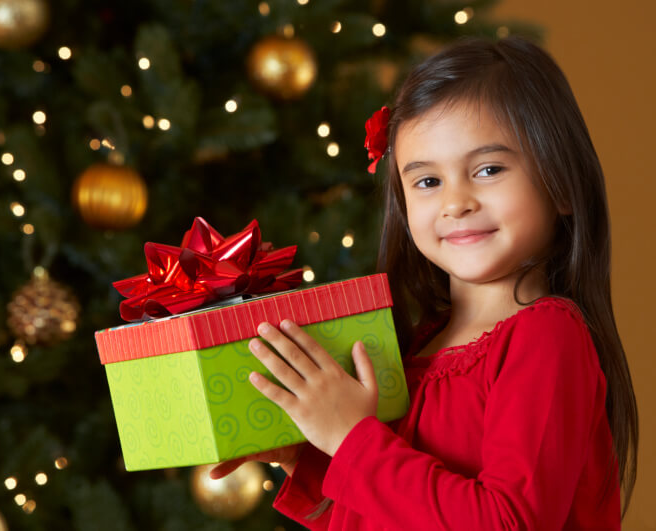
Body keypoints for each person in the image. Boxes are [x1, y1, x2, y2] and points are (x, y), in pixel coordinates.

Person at [210, 36, 638, 529]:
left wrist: (351, 439)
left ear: (561, 183)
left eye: (488, 169)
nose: (456, 202)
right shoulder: (419, 344)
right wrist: (308, 452)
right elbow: (390, 510)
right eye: (428, 182)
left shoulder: (546, 337)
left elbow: (507, 523)